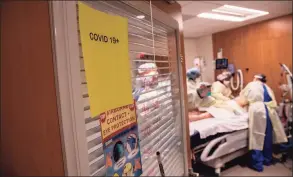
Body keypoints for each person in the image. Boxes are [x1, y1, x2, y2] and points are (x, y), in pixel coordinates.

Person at [239, 74, 287, 172]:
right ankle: (267, 159)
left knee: (257, 136)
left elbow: (243, 100)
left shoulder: (252, 84)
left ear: (256, 78)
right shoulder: (268, 87)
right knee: (267, 136)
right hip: (269, 112)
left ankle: (257, 164)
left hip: (258, 111)